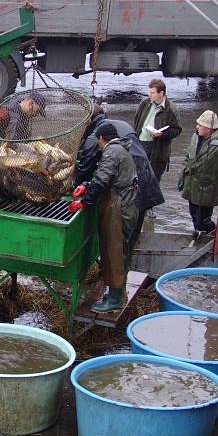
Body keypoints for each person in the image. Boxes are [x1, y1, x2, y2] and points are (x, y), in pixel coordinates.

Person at [69, 122, 139, 313]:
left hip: (119, 207)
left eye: (98, 140)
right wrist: (85, 184)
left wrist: (84, 201)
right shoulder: (121, 149)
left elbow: (102, 180)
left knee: (114, 250)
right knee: (117, 249)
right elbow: (105, 176)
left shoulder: (111, 152)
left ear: (101, 138)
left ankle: (115, 299)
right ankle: (115, 291)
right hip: (126, 203)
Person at [76, 104, 164, 248]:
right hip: (145, 178)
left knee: (119, 241)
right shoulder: (118, 126)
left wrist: (79, 187)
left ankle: (119, 267)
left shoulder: (97, 134)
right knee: (132, 233)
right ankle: (127, 262)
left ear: (88, 120)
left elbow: (86, 164)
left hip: (129, 191)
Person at [178, 110, 218, 238]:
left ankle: (213, 236)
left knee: (203, 219)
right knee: (194, 214)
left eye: (200, 125)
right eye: (197, 124)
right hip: (191, 183)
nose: (196, 127)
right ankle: (201, 235)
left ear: (209, 128)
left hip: (207, 187)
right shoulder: (195, 136)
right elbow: (188, 156)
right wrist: (182, 175)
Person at [132, 78, 182, 182]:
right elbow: (136, 120)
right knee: (137, 177)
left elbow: (177, 129)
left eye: (152, 92)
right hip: (140, 143)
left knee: (153, 180)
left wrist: (162, 134)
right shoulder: (144, 103)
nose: (149, 95)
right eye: (149, 92)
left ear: (161, 93)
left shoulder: (171, 109)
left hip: (157, 149)